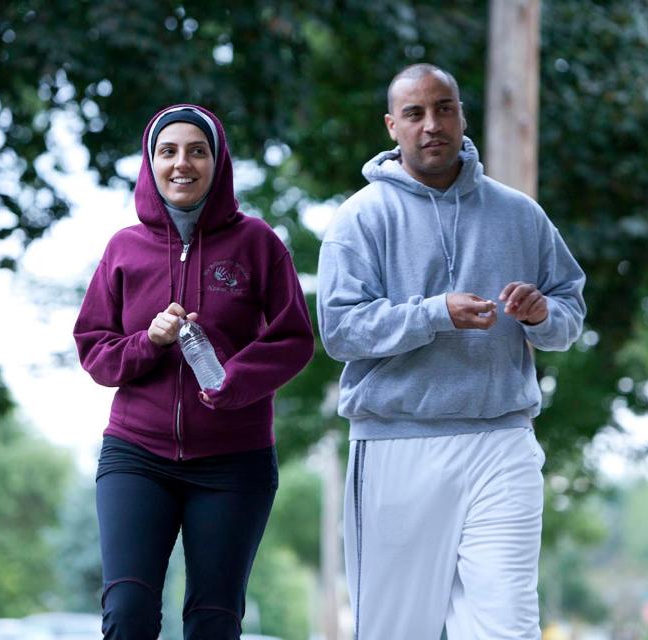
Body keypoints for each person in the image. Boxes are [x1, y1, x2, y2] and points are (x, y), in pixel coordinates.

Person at [316, 64, 587, 639]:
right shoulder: (359, 219)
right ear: (393, 126)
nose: (432, 124)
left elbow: (569, 312)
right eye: (414, 113)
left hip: (503, 441)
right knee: (397, 630)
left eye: (444, 109)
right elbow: (340, 329)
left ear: (462, 116)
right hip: (397, 442)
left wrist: (542, 316)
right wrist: (434, 315)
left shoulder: (520, 213)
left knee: (505, 627)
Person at [74, 104, 315, 640]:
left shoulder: (258, 244)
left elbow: (294, 338)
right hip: (137, 454)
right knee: (128, 616)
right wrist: (149, 342)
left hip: (235, 463)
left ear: (217, 161)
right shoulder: (123, 250)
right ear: (150, 162)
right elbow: (94, 350)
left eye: (197, 150)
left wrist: (236, 381)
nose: (182, 163)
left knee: (213, 622)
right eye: (168, 151)